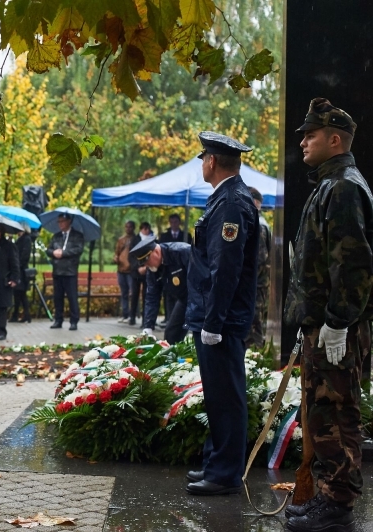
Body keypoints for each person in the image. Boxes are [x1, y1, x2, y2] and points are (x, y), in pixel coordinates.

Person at [283, 98, 373, 532]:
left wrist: (338, 322)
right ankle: (327, 496)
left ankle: (337, 505)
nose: (302, 141)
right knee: (321, 414)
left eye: (310, 134)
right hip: (322, 326)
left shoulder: (343, 188)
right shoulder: (329, 185)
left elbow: (353, 263)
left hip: (336, 328)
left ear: (334, 140)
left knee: (336, 413)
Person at [185, 131, 259, 496]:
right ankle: (217, 463)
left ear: (212, 162)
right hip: (216, 317)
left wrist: (213, 322)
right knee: (218, 395)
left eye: (203, 158)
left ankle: (225, 474)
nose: (202, 163)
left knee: (226, 396)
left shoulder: (231, 204)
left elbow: (225, 270)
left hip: (222, 321)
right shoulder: (225, 200)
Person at [130, 235, 191, 344]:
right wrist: (148, 326)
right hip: (184, 299)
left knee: (202, 332)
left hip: (202, 296)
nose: (146, 266)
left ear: (156, 252)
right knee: (171, 334)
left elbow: (202, 276)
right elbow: (152, 296)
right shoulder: (153, 269)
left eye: (147, 261)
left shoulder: (182, 252)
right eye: (144, 264)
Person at [47, 213, 84, 330]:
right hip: (57, 270)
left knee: (72, 297)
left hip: (70, 271)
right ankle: (58, 320)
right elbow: (49, 249)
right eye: (59, 221)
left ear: (69, 221)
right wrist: (53, 253)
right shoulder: (56, 236)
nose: (60, 224)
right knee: (58, 297)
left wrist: (63, 253)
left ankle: (74, 321)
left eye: (62, 221)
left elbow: (78, 250)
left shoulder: (77, 236)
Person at [245, 187, 271, 350]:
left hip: (256, 284)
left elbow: (260, 259)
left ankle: (255, 361)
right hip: (256, 283)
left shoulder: (258, 226)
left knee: (254, 324)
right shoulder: (257, 222)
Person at [159, 214, 192, 326]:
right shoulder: (164, 236)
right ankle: (169, 318)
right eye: (171, 222)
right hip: (168, 271)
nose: (174, 224)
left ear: (179, 223)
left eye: (176, 222)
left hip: (182, 269)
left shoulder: (186, 235)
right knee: (168, 296)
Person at [114, 220, 137, 324]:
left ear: (133, 228)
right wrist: (116, 258)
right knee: (124, 293)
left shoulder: (136, 239)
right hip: (121, 270)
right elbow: (117, 253)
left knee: (132, 294)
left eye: (130, 227)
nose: (128, 229)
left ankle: (132, 315)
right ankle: (125, 314)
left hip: (131, 271)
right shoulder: (121, 240)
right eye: (126, 227)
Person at [10, 227, 32, 323]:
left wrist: (17, 264)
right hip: (18, 269)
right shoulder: (19, 239)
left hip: (21, 270)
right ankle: (23, 314)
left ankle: (21, 314)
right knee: (19, 293)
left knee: (20, 293)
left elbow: (24, 255)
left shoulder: (26, 239)